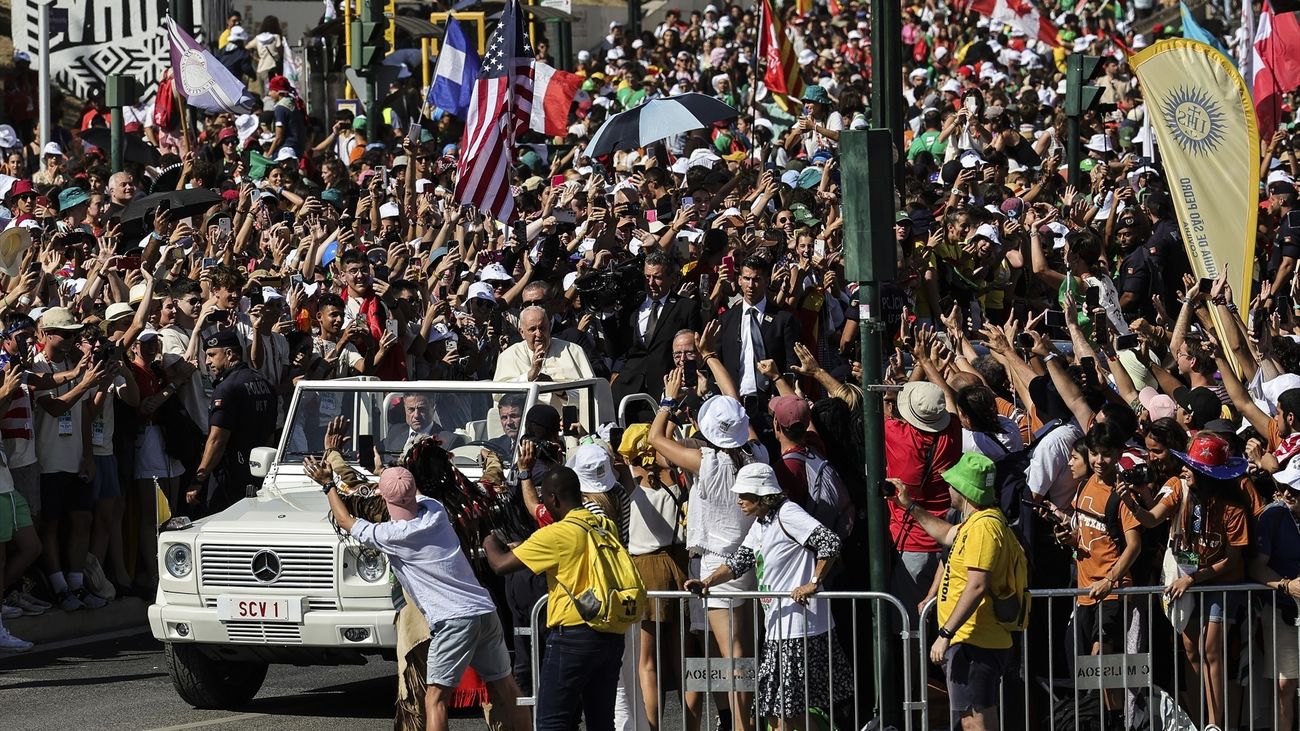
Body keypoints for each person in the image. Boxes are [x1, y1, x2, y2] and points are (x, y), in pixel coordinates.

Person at [309, 460, 528, 731]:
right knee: (506, 687)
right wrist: (391, 479)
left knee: (435, 698)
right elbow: (412, 491)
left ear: (384, 497)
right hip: (484, 610)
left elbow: (345, 519)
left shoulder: (391, 534)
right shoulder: (436, 511)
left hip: (452, 621)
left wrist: (327, 484)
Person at [685, 462, 852, 731]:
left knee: (781, 712)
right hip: (779, 629)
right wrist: (706, 582)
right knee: (779, 712)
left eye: (744, 494)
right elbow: (739, 561)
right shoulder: (763, 522)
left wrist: (813, 582)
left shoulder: (788, 514)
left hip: (800, 630)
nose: (738, 500)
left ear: (763, 495)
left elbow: (829, 542)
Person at [887, 452, 1024, 731]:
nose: (947, 488)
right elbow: (946, 534)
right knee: (973, 718)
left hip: (974, 642)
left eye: (952, 484)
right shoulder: (977, 523)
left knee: (975, 722)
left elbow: (977, 585)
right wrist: (909, 505)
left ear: (964, 489)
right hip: (974, 642)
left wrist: (945, 634)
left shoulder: (984, 528)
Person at [483, 467, 627, 731]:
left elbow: (500, 564)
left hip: (573, 635)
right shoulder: (602, 524)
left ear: (554, 498)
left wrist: (489, 539)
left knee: (551, 721)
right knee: (601, 720)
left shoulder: (557, 534)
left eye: (545, 497)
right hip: (611, 632)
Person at [1164, 432, 1253, 731]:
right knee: (1190, 650)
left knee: (1212, 649)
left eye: (1192, 467)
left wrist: (1193, 579)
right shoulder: (1190, 501)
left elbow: (1232, 560)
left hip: (1223, 586)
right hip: (1193, 581)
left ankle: (1215, 724)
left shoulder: (1233, 510)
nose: (1184, 470)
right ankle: (1198, 721)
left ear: (1206, 475)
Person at [187, 329, 276, 513]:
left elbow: (217, 440)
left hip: (231, 475)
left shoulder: (227, 388)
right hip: (259, 473)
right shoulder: (264, 382)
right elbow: (270, 435)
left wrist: (199, 479)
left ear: (229, 354)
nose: (207, 361)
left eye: (212, 355)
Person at [1249, 463, 1300, 731]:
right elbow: (1256, 566)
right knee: (1285, 684)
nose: (1288, 493)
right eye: (1285, 486)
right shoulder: (1273, 516)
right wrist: (1286, 585)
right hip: (1283, 610)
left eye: (1296, 488)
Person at [494, 306, 595, 384]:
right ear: (522, 332)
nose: (538, 334)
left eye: (542, 328)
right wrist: (530, 376)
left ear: (550, 327)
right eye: (532, 329)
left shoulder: (573, 351)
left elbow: (591, 391)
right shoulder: (509, 356)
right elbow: (499, 395)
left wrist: (559, 389)